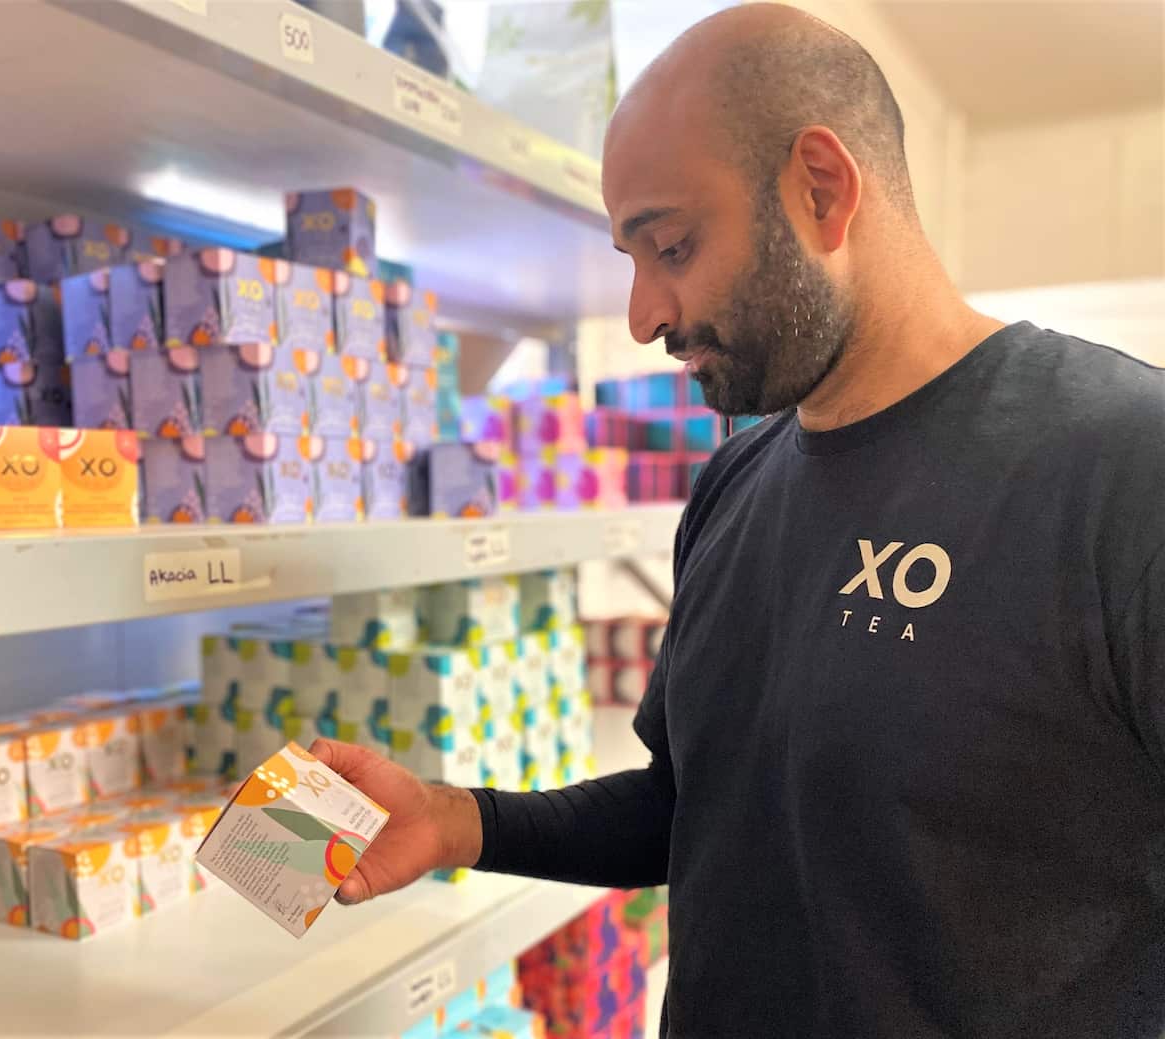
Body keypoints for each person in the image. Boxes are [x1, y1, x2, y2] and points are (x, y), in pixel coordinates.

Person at [311, 5, 1165, 1036]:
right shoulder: (734, 482)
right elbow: (694, 810)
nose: (642, 315)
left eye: (669, 245)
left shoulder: (1123, 467)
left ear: (821, 189)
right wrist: (460, 819)